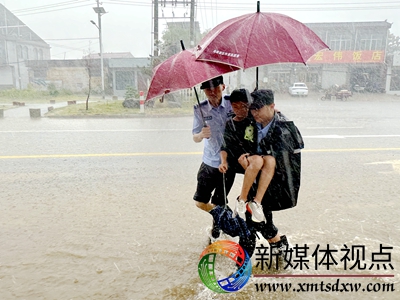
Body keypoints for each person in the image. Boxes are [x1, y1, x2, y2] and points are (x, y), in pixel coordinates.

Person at [192, 76, 249, 241]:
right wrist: (201, 134)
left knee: (219, 201)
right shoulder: (199, 109)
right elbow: (194, 137)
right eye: (207, 89)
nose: (212, 92)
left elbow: (251, 108)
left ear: (223, 87)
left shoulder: (233, 103)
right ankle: (227, 217)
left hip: (228, 164)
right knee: (200, 202)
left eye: (215, 87)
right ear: (203, 91)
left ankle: (216, 232)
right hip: (209, 162)